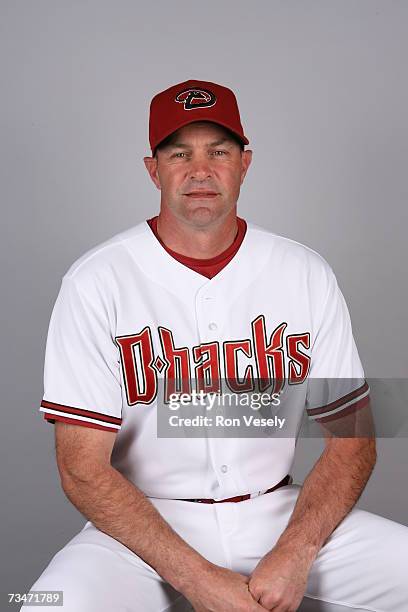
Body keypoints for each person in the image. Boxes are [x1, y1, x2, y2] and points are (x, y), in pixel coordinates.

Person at [24, 79, 408, 611]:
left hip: (277, 511)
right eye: (179, 153)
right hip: (142, 529)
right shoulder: (97, 280)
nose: (199, 170)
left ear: (244, 164)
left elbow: (353, 439)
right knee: (51, 604)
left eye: (219, 151)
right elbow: (81, 468)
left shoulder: (303, 272)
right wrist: (198, 578)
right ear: (152, 169)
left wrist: (296, 550)